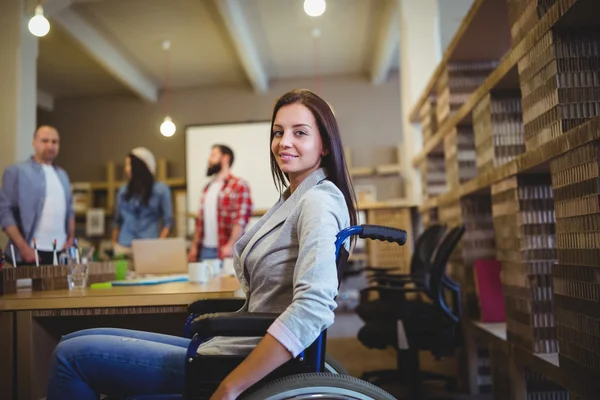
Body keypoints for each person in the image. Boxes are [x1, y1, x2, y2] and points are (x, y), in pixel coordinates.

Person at [46, 89, 358, 400]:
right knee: (77, 337)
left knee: (69, 355)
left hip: (246, 361)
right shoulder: (293, 198)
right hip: (237, 345)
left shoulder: (318, 201)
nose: (283, 142)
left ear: (325, 144)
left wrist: (231, 386)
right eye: (278, 132)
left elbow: (313, 306)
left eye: (299, 132)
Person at [0, 125, 74, 265]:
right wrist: (23, 247)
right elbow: (4, 212)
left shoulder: (63, 175)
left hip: (60, 253)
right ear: (34, 142)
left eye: (54, 142)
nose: (50, 146)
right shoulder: (16, 171)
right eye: (44, 141)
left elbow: (70, 210)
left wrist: (70, 239)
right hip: (29, 253)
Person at [188, 144, 253, 262]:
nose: (209, 159)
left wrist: (230, 245)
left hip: (225, 251)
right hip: (205, 250)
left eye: (213, 155)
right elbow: (200, 222)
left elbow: (241, 219)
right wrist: (194, 247)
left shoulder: (239, 185)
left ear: (225, 158)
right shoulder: (207, 188)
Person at [112, 147, 174, 256]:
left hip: (150, 247)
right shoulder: (123, 191)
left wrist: (160, 243)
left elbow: (168, 222)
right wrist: (114, 244)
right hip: (124, 246)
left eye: (129, 165)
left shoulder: (161, 190)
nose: (126, 169)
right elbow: (117, 221)